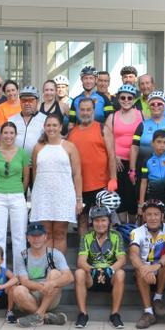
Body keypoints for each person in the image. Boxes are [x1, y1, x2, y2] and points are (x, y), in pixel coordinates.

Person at [30, 114, 83, 252]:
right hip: (43, 196)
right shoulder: (38, 148)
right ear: (44, 127)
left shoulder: (70, 147)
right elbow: (35, 173)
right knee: (46, 234)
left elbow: (77, 174)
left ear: (60, 127)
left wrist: (78, 199)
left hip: (63, 195)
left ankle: (59, 269)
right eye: (48, 125)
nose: (51, 128)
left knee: (60, 233)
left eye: (54, 125)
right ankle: (48, 268)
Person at [129, 199, 165, 329]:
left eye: (156, 214)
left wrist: (157, 265)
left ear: (162, 216)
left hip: (163, 272)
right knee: (139, 268)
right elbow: (133, 253)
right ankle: (149, 312)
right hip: (144, 274)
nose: (153, 218)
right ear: (144, 216)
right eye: (149, 214)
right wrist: (144, 268)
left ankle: (158, 298)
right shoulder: (136, 232)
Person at [10, 222, 75, 327]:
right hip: (32, 296)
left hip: (50, 295)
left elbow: (69, 277)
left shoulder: (55, 254)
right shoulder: (22, 256)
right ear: (28, 238)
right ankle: (44, 316)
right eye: (33, 236)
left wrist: (51, 284)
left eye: (39, 235)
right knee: (17, 290)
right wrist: (42, 287)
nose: (36, 239)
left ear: (45, 237)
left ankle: (38, 315)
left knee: (55, 273)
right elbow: (24, 281)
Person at [67, 97, 114, 237]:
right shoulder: (72, 133)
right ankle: (84, 252)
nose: (85, 113)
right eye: (82, 110)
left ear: (93, 111)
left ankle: (103, 254)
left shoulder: (102, 129)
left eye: (89, 109)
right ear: (78, 111)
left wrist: (113, 179)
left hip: (101, 185)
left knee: (102, 222)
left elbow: (112, 155)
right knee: (82, 221)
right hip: (80, 187)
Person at [73, 206, 127, 329]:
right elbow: (81, 261)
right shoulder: (86, 236)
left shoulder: (116, 235)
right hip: (92, 275)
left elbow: (122, 259)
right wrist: (91, 270)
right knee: (79, 273)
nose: (100, 224)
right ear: (92, 222)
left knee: (121, 273)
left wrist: (110, 269)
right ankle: (83, 314)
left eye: (103, 220)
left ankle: (115, 314)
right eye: (96, 221)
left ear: (109, 221)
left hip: (110, 274)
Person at [0, 122, 31, 263]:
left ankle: (20, 271)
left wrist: (19, 191)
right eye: (5, 132)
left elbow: (26, 177)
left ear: (16, 135)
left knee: (19, 235)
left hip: (18, 196)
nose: (8, 136)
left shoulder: (23, 153)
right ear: (0, 134)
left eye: (11, 133)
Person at [103, 84, 143, 222]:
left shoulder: (140, 115)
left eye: (129, 98)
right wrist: (114, 156)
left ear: (134, 99)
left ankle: (132, 227)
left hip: (135, 162)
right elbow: (107, 140)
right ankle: (122, 228)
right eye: (123, 97)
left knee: (132, 195)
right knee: (120, 196)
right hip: (117, 162)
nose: (126, 100)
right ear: (118, 99)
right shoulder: (112, 117)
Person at [130, 92, 165, 174]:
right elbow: (134, 147)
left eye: (159, 104)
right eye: (152, 104)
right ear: (149, 107)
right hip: (144, 167)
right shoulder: (142, 125)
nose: (156, 106)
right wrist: (132, 169)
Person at [137, 130, 165, 215]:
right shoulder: (147, 160)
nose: (162, 145)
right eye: (159, 142)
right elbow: (143, 182)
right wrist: (141, 204)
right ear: (152, 143)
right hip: (152, 196)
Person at [7, 85, 47, 154]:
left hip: (36, 162)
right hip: (16, 161)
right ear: (20, 102)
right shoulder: (11, 120)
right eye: (24, 100)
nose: (27, 103)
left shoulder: (46, 120)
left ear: (37, 101)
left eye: (31, 100)